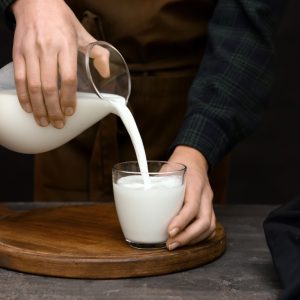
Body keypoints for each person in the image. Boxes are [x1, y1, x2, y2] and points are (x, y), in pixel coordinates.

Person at [0, 0, 283, 251]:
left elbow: (247, 22)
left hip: (187, 104)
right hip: (64, 92)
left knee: (175, 243)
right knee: (57, 244)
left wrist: (197, 150)